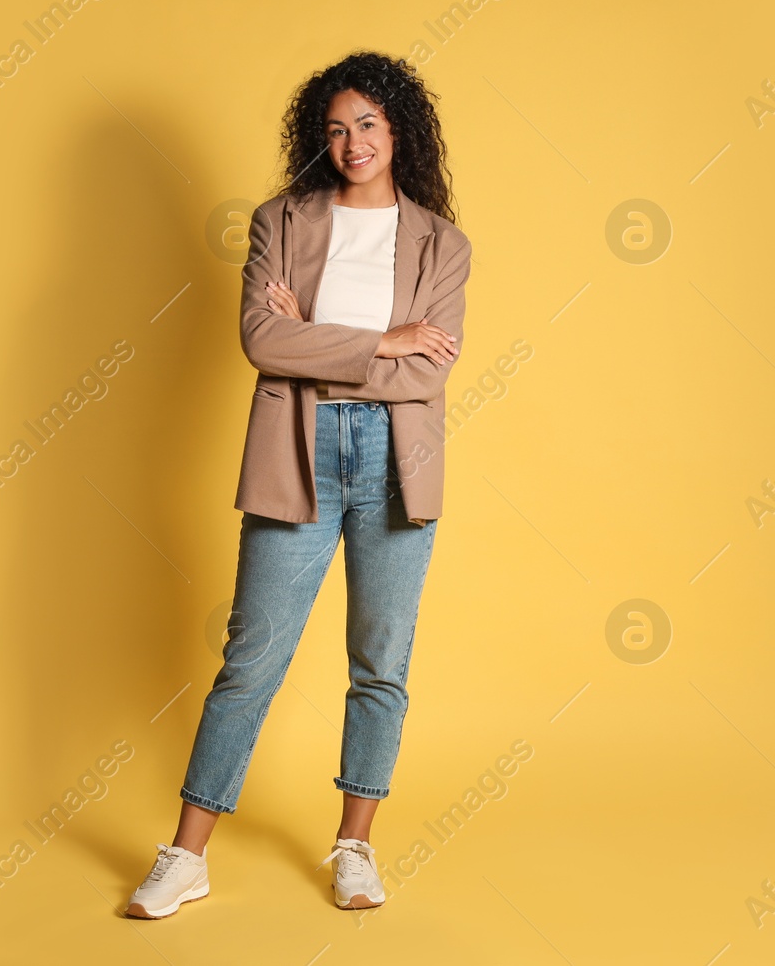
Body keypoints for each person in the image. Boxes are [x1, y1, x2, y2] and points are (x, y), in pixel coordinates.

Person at [126, 50, 471, 918]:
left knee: (380, 663)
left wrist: (315, 338)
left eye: (367, 123)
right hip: (297, 450)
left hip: (399, 464)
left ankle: (355, 846)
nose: (351, 142)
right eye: (335, 128)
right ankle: (186, 856)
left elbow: (425, 376)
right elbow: (259, 342)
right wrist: (383, 340)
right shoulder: (281, 220)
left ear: (399, 129)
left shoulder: (443, 242)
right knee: (251, 659)